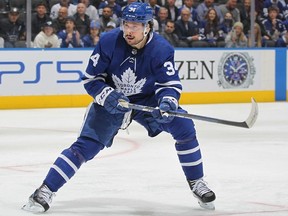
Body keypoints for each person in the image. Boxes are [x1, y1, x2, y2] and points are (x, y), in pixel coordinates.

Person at [22, 2, 216, 213]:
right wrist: (107, 95)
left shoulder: (162, 49)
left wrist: (167, 102)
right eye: (126, 24)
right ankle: (44, 190)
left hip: (147, 99)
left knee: (184, 127)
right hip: (113, 99)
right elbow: (90, 79)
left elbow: (169, 84)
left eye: (135, 25)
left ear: (148, 26)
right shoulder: (108, 42)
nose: (129, 30)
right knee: (86, 146)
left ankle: (197, 182)